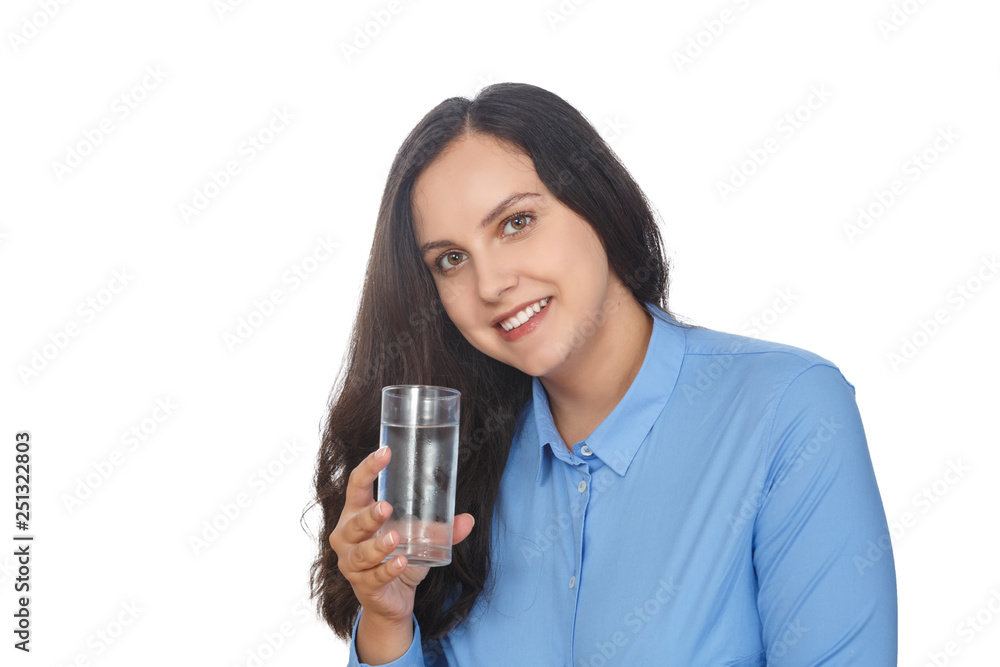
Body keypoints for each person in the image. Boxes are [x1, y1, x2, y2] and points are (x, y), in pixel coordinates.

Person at [308, 82, 898, 665]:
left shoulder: (785, 411)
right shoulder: (450, 471)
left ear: (596, 202)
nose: (490, 285)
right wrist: (387, 621)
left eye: (516, 223)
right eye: (451, 260)